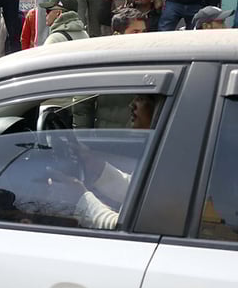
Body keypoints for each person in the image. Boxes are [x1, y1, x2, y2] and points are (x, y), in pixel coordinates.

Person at [48, 95, 158, 230]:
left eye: (142, 98)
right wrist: (96, 166)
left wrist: (79, 200)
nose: (131, 104)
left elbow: (123, 229)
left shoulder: (168, 167)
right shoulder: (165, 153)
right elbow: (139, 193)